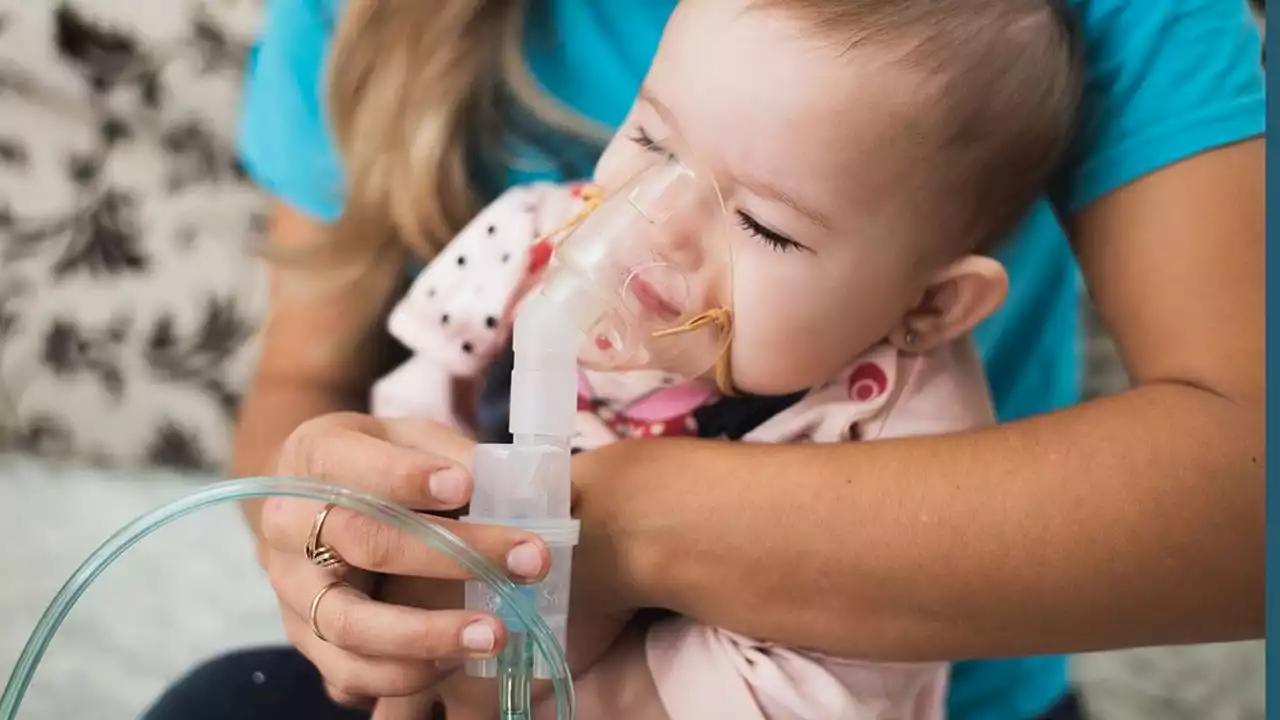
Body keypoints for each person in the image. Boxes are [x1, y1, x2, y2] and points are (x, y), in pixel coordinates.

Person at [142, 0, 1265, 718]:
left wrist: (604, 540)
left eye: (767, 230)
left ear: (926, 306)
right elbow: (339, 382)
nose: (646, 228)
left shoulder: (895, 412)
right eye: (645, 140)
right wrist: (371, 526)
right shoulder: (533, 230)